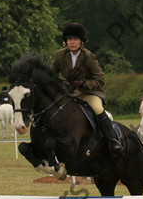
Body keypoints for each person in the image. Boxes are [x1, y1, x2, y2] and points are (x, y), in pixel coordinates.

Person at [50, 22, 122, 155]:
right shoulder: (59, 55)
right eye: (69, 39)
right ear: (65, 41)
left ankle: (112, 140)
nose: (72, 42)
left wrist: (83, 83)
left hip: (88, 93)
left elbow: (100, 79)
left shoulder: (89, 56)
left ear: (81, 41)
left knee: (98, 109)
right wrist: (62, 82)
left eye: (75, 39)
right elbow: (50, 74)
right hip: (69, 92)